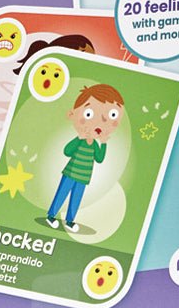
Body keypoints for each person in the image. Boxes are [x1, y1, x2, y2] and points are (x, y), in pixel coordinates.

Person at [45, 83, 125, 232]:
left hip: (83, 177)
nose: (99, 122)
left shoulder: (94, 144)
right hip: (70, 173)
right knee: (61, 194)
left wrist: (103, 143)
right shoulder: (80, 140)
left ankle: (70, 221)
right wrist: (79, 137)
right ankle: (51, 216)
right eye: (89, 114)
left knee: (76, 199)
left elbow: (99, 159)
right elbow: (67, 151)